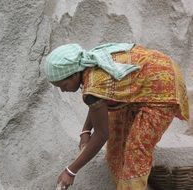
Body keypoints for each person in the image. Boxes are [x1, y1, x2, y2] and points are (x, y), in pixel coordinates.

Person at [44, 43, 189, 190]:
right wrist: (85, 131)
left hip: (163, 86)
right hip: (148, 76)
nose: (62, 90)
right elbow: (98, 101)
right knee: (116, 143)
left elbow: (101, 135)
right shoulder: (88, 65)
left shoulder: (93, 85)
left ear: (75, 74)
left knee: (136, 152)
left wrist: (71, 171)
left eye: (63, 84)